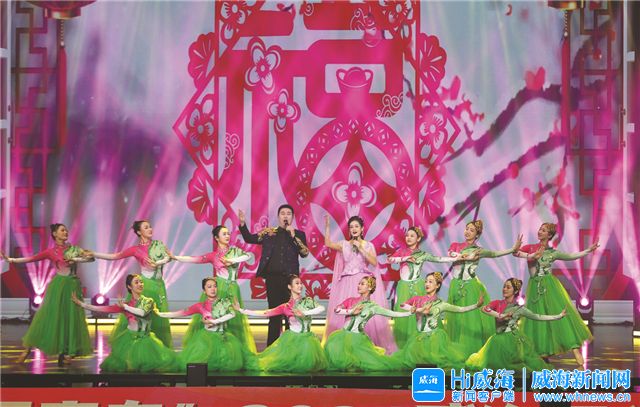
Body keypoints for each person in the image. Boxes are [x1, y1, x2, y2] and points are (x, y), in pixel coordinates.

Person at [1, 223, 93, 365]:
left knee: (70, 319)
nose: (66, 232)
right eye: (62, 230)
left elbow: (91, 258)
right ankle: (26, 351)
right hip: (58, 287)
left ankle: (66, 353)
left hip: (73, 286)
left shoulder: (74, 249)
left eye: (66, 230)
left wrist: (77, 259)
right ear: (55, 234)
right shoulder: (50, 252)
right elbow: (31, 258)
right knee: (48, 318)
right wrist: (11, 260)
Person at [514, 222, 598, 366]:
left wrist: (588, 251)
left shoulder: (553, 252)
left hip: (549, 286)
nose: (540, 231)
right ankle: (543, 352)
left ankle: (575, 348)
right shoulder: (530, 247)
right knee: (538, 320)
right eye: (540, 229)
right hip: (535, 287)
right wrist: (528, 253)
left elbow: (571, 256)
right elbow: (516, 253)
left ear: (550, 235)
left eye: (543, 230)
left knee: (560, 316)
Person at [88, 220, 173, 347]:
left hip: (159, 286)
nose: (150, 229)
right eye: (146, 227)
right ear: (139, 232)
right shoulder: (136, 250)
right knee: (140, 319)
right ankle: (138, 348)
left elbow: (169, 257)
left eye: (150, 227)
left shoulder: (158, 245)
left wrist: (158, 263)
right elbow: (115, 256)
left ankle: (158, 349)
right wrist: (94, 254)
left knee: (158, 318)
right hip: (145, 286)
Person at [171, 225, 256, 352]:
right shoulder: (213, 255)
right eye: (224, 234)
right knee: (215, 316)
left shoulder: (234, 251)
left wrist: (232, 260)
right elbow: (195, 259)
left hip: (233, 288)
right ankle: (213, 349)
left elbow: (248, 255)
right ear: (216, 238)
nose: (227, 236)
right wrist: (176, 257)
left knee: (232, 319)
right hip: (219, 288)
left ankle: (232, 350)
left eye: (228, 233)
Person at [445, 219, 522, 357]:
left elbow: (495, 254)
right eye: (467, 228)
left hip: (470, 287)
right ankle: (456, 349)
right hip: (456, 285)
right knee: (456, 318)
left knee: (470, 319)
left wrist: (512, 249)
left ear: (477, 234)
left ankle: (471, 351)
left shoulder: (478, 250)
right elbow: (450, 254)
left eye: (472, 230)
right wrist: (463, 256)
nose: (468, 232)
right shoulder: (455, 245)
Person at [72, 274, 178, 372]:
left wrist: (125, 307)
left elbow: (142, 312)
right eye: (136, 282)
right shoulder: (126, 304)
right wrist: (82, 304)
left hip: (145, 339)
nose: (140, 284)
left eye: (141, 282)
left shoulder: (148, 301)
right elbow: (103, 308)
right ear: (129, 287)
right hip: (129, 339)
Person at [323, 215, 396, 353]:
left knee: (363, 314)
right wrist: (327, 226)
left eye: (356, 226)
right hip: (346, 283)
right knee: (346, 315)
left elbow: (374, 262)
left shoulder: (368, 245)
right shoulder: (344, 244)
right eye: (351, 227)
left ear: (362, 229)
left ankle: (365, 346)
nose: (354, 229)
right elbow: (328, 244)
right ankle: (345, 348)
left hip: (362, 282)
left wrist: (361, 248)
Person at [238, 204, 309, 346]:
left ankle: (290, 347)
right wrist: (242, 224)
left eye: (288, 213)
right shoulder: (269, 233)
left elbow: (304, 253)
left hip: (290, 282)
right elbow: (250, 238)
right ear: (278, 216)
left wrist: (293, 236)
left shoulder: (299, 234)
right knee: (274, 315)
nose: (285, 216)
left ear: (292, 217)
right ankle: (271, 348)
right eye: (282, 213)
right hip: (273, 280)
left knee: (291, 315)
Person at [156, 278, 256, 371]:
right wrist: (160, 314)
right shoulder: (200, 306)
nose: (213, 289)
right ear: (204, 291)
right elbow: (181, 313)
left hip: (223, 336)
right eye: (209, 287)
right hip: (206, 338)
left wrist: (214, 321)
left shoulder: (225, 302)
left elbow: (232, 314)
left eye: (215, 286)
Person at [466, 278, 566, 371]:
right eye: (504, 286)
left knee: (514, 366)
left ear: (515, 291)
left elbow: (537, 316)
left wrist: (558, 316)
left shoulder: (519, 309)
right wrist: (502, 315)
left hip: (512, 340)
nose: (504, 289)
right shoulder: (497, 303)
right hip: (497, 340)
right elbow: (484, 309)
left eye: (508, 287)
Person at [234, 274, 327, 372]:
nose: (300, 285)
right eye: (297, 283)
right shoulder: (286, 307)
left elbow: (321, 308)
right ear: (290, 287)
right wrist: (241, 310)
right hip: (292, 341)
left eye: (301, 283)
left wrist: (304, 313)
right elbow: (265, 312)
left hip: (308, 341)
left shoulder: (307, 301)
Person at [387, 227, 459, 348]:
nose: (408, 238)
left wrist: (456, 258)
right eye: (407, 235)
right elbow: (390, 260)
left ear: (418, 238)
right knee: (405, 313)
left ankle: (422, 343)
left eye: (412, 236)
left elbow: (438, 259)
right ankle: (405, 346)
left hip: (418, 286)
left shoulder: (422, 254)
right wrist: (406, 258)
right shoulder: (402, 251)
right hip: (403, 287)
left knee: (421, 314)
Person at [394, 272, 481, 370]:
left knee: (435, 363)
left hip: (434, 339)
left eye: (430, 282)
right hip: (418, 337)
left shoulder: (441, 304)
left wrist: (476, 305)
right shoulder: (417, 299)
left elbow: (460, 309)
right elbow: (403, 305)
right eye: (426, 281)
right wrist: (418, 310)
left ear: (437, 285)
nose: (427, 284)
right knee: (415, 365)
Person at [324, 276, 411, 371]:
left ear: (370, 287)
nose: (359, 286)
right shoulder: (351, 300)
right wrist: (351, 311)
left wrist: (409, 313)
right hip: (343, 336)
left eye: (362, 284)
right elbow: (336, 310)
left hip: (358, 339)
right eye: (359, 283)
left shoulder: (373, 306)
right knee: (333, 348)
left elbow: (393, 313)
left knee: (372, 363)